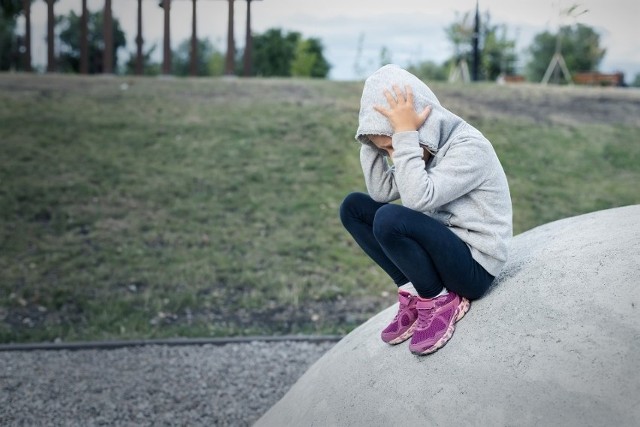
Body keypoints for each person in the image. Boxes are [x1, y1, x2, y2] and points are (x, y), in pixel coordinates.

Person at [339, 65, 512, 355]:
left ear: (424, 126)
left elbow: (418, 200)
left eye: (395, 147)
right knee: (354, 207)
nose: (395, 156)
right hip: (442, 252)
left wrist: (403, 134)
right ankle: (414, 290)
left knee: (390, 218)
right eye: (387, 151)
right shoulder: (419, 146)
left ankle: (439, 301)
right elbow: (380, 192)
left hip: (474, 268)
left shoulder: (470, 148)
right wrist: (373, 137)